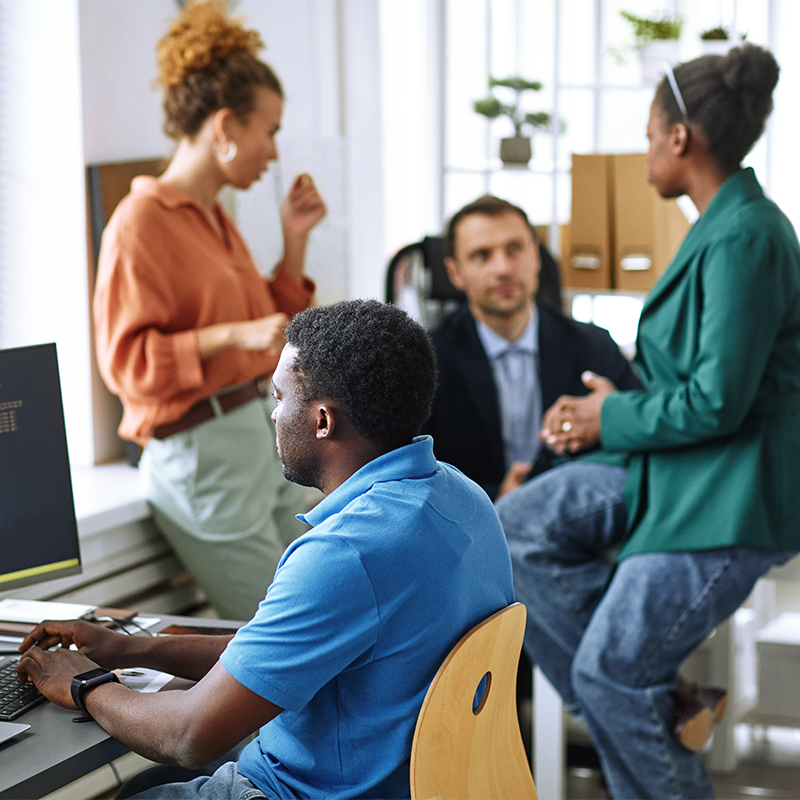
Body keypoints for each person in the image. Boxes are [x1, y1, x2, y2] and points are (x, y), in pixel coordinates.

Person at [17, 300, 515, 800]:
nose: (272, 414)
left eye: (277, 397)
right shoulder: (463, 498)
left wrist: (84, 684)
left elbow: (187, 736)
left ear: (322, 420)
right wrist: (134, 649)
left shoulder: (345, 553)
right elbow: (282, 654)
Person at [495, 44, 800, 799]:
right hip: (685, 464)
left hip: (729, 490)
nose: (641, 156)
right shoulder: (721, 225)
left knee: (607, 674)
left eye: (645, 134)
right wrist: (616, 399)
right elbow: (704, 376)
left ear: (679, 138)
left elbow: (719, 402)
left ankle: (631, 686)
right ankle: (655, 695)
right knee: (512, 527)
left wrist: (609, 418)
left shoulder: (746, 235)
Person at [93, 1, 327, 620]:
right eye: (268, 131)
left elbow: (265, 334)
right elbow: (127, 367)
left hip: (258, 434)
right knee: (272, 637)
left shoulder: (216, 217)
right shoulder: (140, 222)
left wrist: (294, 238)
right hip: (202, 454)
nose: (273, 151)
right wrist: (231, 332)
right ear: (225, 126)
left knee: (324, 611)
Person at [423, 195, 641, 501]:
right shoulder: (427, 362)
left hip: (575, 518)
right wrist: (495, 496)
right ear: (455, 272)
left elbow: (641, 437)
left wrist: (616, 412)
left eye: (515, 249)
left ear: (536, 256)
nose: (503, 268)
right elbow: (412, 471)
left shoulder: (593, 345)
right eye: (482, 256)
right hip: (469, 523)